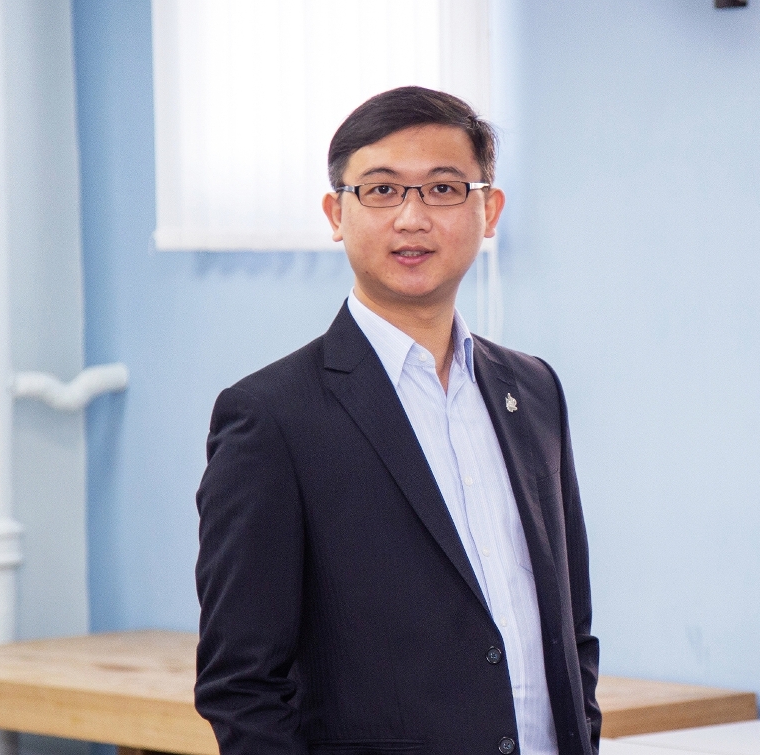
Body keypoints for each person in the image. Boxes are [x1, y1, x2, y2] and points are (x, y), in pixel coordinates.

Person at [194, 86, 600, 755]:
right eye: (382, 191)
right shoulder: (272, 417)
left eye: (443, 189)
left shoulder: (534, 391)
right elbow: (241, 686)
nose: (412, 218)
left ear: (489, 210)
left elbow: (570, 625)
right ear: (336, 213)